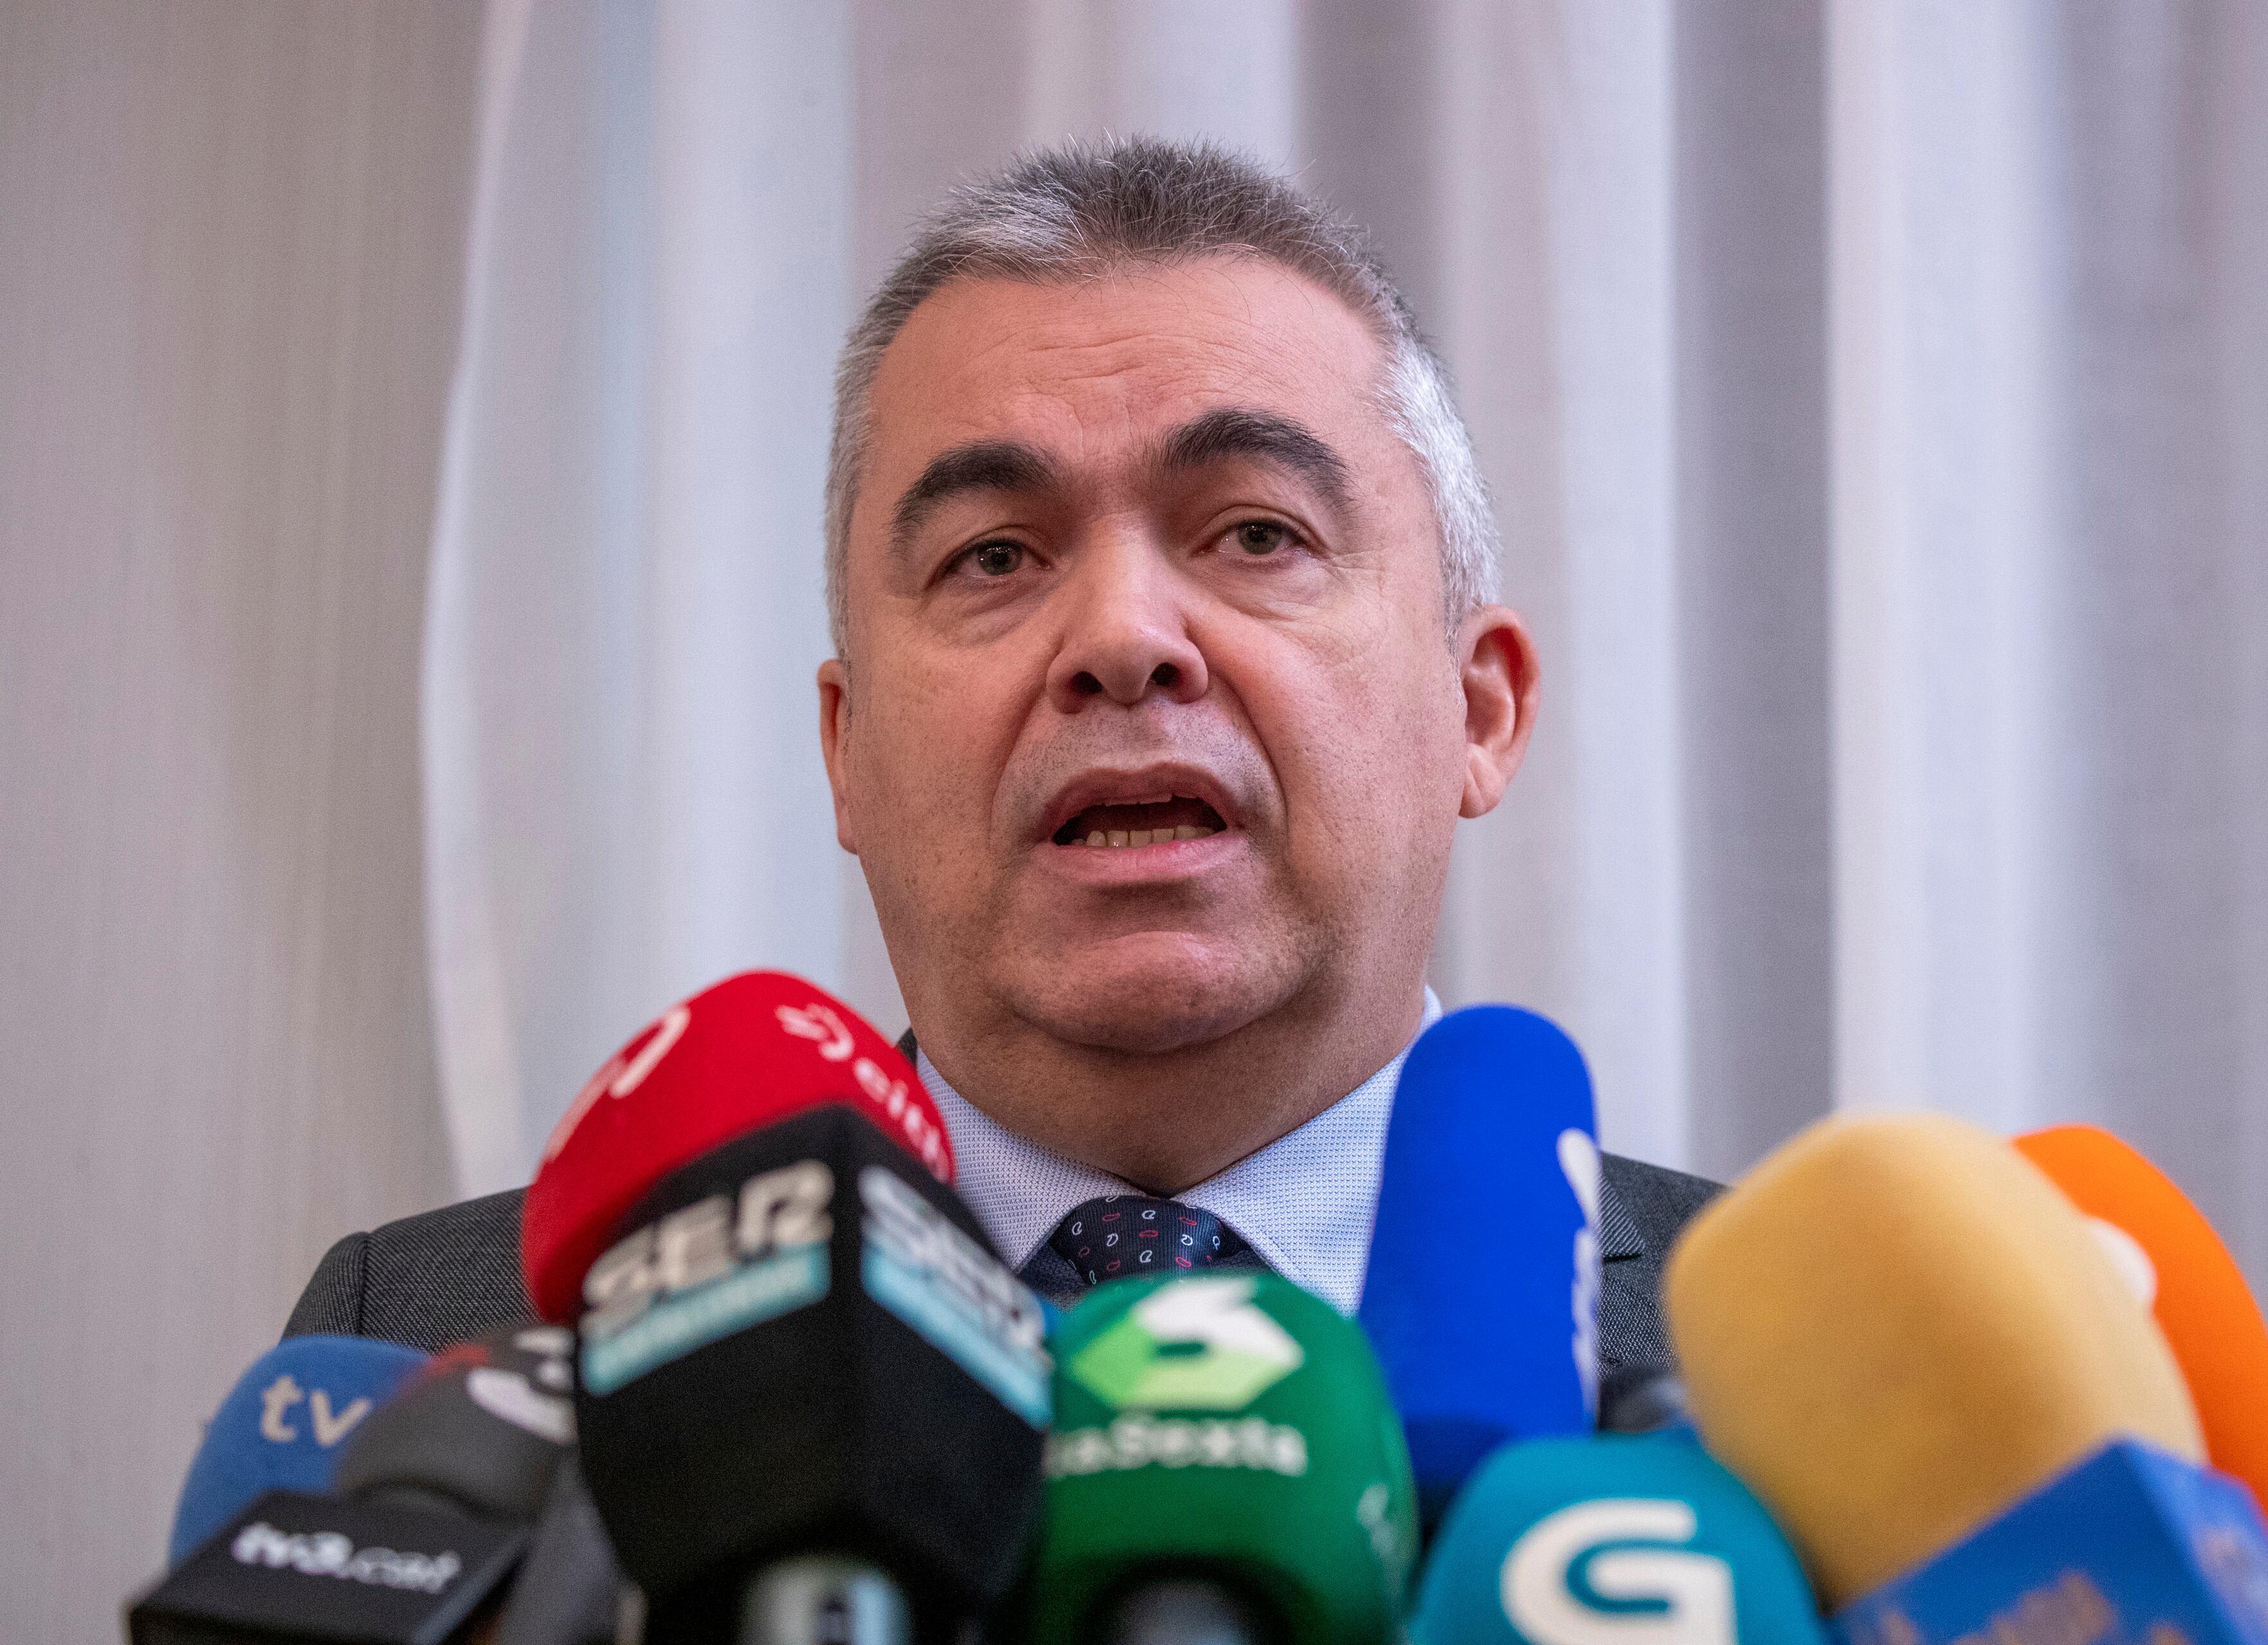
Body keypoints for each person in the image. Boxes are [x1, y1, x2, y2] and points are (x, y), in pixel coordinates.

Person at [286, 136, 1717, 1383]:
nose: (1123, 637)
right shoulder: (421, 1344)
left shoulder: (1781, 1372)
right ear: (846, 750)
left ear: (1478, 710)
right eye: (994, 557)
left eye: (1256, 532)